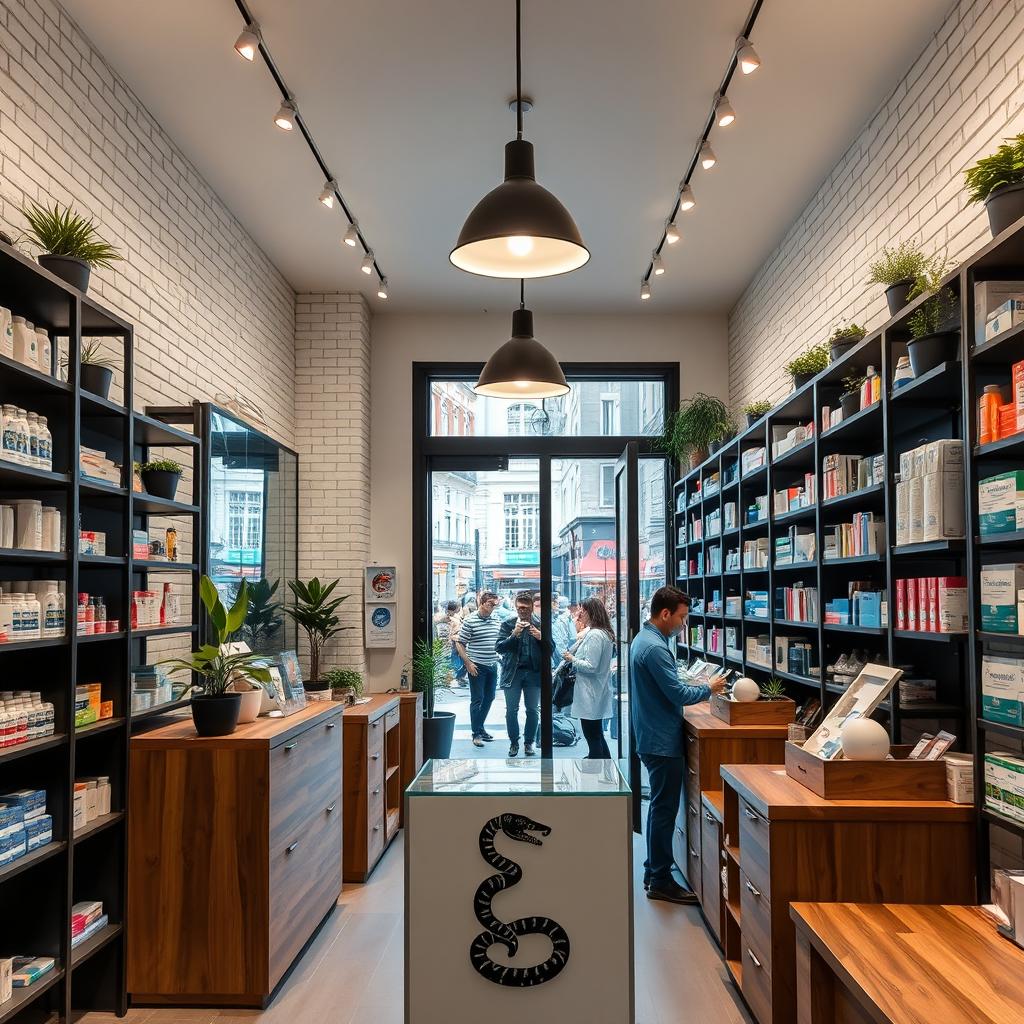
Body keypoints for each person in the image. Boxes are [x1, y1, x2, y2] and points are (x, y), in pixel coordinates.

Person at [630, 585, 727, 905]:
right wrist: (708, 688)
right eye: (682, 618)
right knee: (663, 809)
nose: (684, 625)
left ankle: (652, 870)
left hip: (651, 734)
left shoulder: (644, 640)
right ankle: (660, 879)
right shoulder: (655, 648)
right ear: (666, 613)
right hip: (660, 740)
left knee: (659, 806)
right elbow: (677, 695)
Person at [562, 597, 614, 758]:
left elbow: (591, 666)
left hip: (590, 692)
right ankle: (605, 769)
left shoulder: (595, 635)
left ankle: (596, 769)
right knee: (596, 734)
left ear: (591, 612)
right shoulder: (600, 633)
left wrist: (572, 659)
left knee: (592, 735)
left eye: (582, 610)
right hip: (595, 690)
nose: (579, 614)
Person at [496, 590, 544, 757]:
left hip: (533, 673)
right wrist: (514, 634)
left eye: (525, 607)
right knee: (511, 710)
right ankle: (514, 742)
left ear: (532, 607)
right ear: (515, 607)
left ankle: (529, 742)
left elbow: (552, 649)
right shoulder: (508, 623)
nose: (522, 610)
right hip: (513, 673)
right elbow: (499, 648)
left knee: (532, 709)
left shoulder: (540, 623)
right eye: (519, 608)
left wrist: (541, 637)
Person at [455, 590, 501, 747]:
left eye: (495, 604)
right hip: (477, 666)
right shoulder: (470, 620)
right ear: (481, 603)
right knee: (477, 699)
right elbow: (459, 643)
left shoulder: (496, 619)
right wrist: (468, 663)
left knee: (490, 697)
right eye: (490, 604)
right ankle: (476, 733)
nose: (493, 607)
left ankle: (480, 728)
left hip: (492, 665)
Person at [443, 600, 467, 686]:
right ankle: (453, 679)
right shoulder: (452, 619)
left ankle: (456, 678)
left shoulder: (453, 618)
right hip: (454, 643)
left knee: (456, 661)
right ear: (456, 608)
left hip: (454, 643)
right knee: (455, 662)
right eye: (459, 607)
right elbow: (453, 633)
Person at [551, 595, 577, 667]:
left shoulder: (556, 619)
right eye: (555, 602)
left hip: (560, 657)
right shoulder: (562, 618)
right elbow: (573, 638)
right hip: (562, 656)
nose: (556, 604)